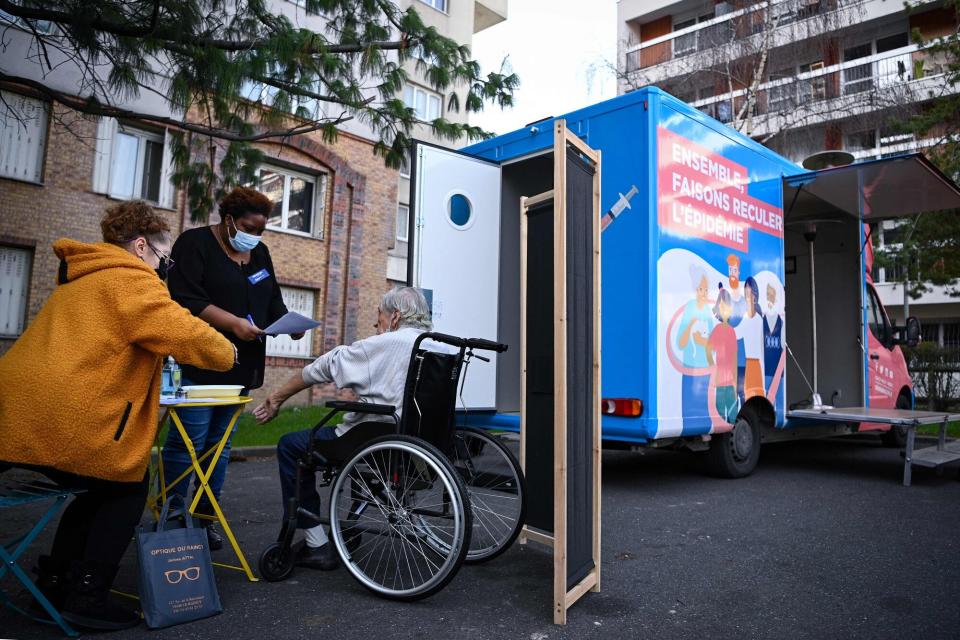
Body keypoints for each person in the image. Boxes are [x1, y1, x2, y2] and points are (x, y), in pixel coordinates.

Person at [0, 201, 235, 631]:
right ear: (141, 246)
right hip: (58, 417)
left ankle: (53, 585)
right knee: (127, 485)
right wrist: (229, 348)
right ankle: (85, 595)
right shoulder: (130, 280)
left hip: (14, 414)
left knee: (95, 486)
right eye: (164, 259)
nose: (164, 268)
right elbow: (183, 331)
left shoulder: (82, 277)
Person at [161, 187, 302, 550]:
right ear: (228, 220)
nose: (254, 236)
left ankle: (206, 517)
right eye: (248, 227)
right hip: (198, 362)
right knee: (188, 443)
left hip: (241, 368)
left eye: (261, 231)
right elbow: (184, 300)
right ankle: (173, 515)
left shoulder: (259, 253)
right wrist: (234, 323)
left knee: (219, 447)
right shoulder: (194, 244)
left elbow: (272, 300)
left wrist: (289, 322)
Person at [252, 287, 432, 570]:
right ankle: (347, 522)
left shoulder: (385, 343)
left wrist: (276, 398)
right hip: (421, 440)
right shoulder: (440, 345)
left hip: (375, 437)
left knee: (291, 445)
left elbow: (322, 367)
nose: (377, 323)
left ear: (395, 316)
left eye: (379, 315)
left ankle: (315, 543)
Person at [676, 265, 715, 424]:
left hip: (705, 371)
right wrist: (690, 326)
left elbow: (713, 345)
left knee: (703, 412)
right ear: (695, 289)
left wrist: (703, 342)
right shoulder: (689, 309)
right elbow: (680, 342)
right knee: (687, 414)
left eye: (706, 290)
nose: (704, 294)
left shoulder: (708, 311)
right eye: (701, 289)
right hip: (689, 370)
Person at [706, 287, 739, 424]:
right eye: (721, 306)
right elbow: (708, 350)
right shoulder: (718, 330)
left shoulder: (731, 331)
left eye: (726, 306)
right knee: (721, 414)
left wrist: (735, 382)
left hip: (728, 381)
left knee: (731, 415)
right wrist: (713, 368)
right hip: (721, 381)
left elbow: (734, 358)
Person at [735, 276, 766, 401]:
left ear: (755, 296)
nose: (747, 297)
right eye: (746, 293)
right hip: (748, 363)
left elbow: (761, 347)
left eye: (750, 293)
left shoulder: (758, 320)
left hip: (756, 364)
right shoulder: (745, 317)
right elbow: (737, 333)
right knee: (748, 396)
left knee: (757, 395)